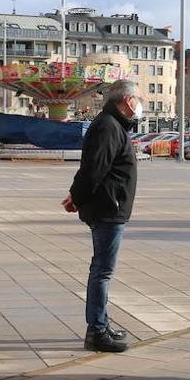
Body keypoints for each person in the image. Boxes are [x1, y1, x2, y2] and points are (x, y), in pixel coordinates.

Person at [63, 79, 141, 353]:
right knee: (102, 271)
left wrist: (76, 196)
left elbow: (94, 167)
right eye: (137, 98)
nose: (138, 104)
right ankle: (96, 331)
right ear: (127, 100)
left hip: (111, 206)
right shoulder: (108, 126)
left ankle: (101, 325)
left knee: (102, 270)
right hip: (108, 208)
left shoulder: (112, 124)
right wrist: (78, 196)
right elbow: (94, 170)